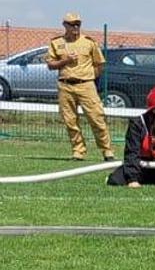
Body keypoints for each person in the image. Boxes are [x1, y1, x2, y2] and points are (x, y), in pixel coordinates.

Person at [44, 13, 113, 161]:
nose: (75, 27)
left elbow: (99, 64)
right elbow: (50, 65)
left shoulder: (89, 42)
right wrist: (65, 60)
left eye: (78, 24)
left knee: (96, 118)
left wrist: (89, 77)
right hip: (65, 85)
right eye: (72, 24)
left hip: (86, 85)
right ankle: (78, 151)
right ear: (65, 25)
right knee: (70, 120)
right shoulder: (56, 43)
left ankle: (107, 151)